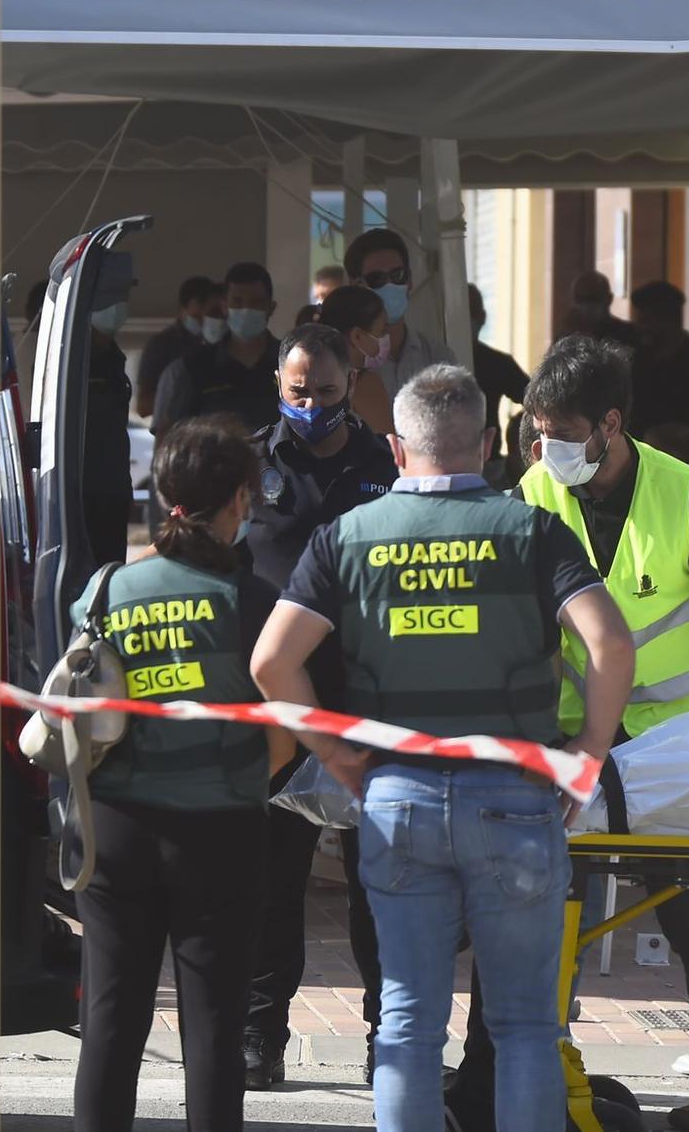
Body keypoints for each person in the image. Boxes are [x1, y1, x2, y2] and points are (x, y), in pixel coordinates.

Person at [251, 365, 634, 1132]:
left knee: (407, 1023)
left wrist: (337, 757)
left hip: (398, 798)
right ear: (490, 446)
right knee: (526, 1025)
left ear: (395, 448)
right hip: (517, 796)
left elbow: (271, 662)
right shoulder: (529, 530)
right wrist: (587, 753)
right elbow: (609, 642)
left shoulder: (348, 536)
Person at [517, 335, 689, 1132]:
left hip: (681, 756)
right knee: (544, 925)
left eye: (560, 433)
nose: (545, 449)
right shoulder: (531, 493)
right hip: (571, 752)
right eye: (537, 433)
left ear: (610, 424)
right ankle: (542, 1096)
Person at [72, 418, 296, 1132]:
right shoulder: (254, 605)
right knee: (214, 1030)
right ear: (239, 499)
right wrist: (237, 782)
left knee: (110, 1021)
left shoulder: (105, 592)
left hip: (115, 832)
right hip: (220, 833)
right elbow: (287, 738)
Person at [239, 324, 399, 1089]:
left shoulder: (385, 465)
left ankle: (385, 1039)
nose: (312, 406)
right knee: (270, 885)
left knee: (381, 885)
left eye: (327, 393)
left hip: (366, 702)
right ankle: (259, 1035)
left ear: (352, 385)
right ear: (279, 384)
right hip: (276, 707)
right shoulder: (250, 463)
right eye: (298, 392)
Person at [155, 263, 281, 435]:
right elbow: (168, 441)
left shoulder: (288, 364)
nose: (246, 310)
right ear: (224, 307)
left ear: (271, 308)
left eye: (256, 302)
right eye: (237, 301)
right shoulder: (191, 370)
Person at [344, 228, 452, 393]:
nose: (390, 285)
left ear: (409, 280)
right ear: (356, 286)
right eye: (377, 279)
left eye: (398, 275)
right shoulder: (342, 361)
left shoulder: (437, 357)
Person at [629, 280, 689, 463]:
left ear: (670, 319)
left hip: (685, 459)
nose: (639, 329)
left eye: (645, 322)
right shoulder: (633, 361)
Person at [83, 284, 136, 566]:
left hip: (113, 489)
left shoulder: (114, 358)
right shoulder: (76, 358)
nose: (120, 307)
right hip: (84, 492)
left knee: (110, 568)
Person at [313, 285, 396, 437]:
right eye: (382, 330)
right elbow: (388, 449)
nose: (386, 338)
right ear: (357, 336)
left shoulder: (310, 380)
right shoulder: (364, 383)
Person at [467, 284, 529, 484]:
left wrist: (517, 442)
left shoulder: (497, 364)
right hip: (444, 466)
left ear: (482, 317)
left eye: (470, 314)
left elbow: (540, 402)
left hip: (490, 469)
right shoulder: (435, 357)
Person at [135, 275, 216, 420]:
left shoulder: (223, 343)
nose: (204, 320)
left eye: (210, 314)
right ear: (183, 309)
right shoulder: (162, 345)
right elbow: (143, 406)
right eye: (198, 316)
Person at [559, 271, 640, 352]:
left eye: (593, 298)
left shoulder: (627, 335)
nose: (586, 305)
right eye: (579, 299)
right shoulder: (565, 339)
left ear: (609, 299)